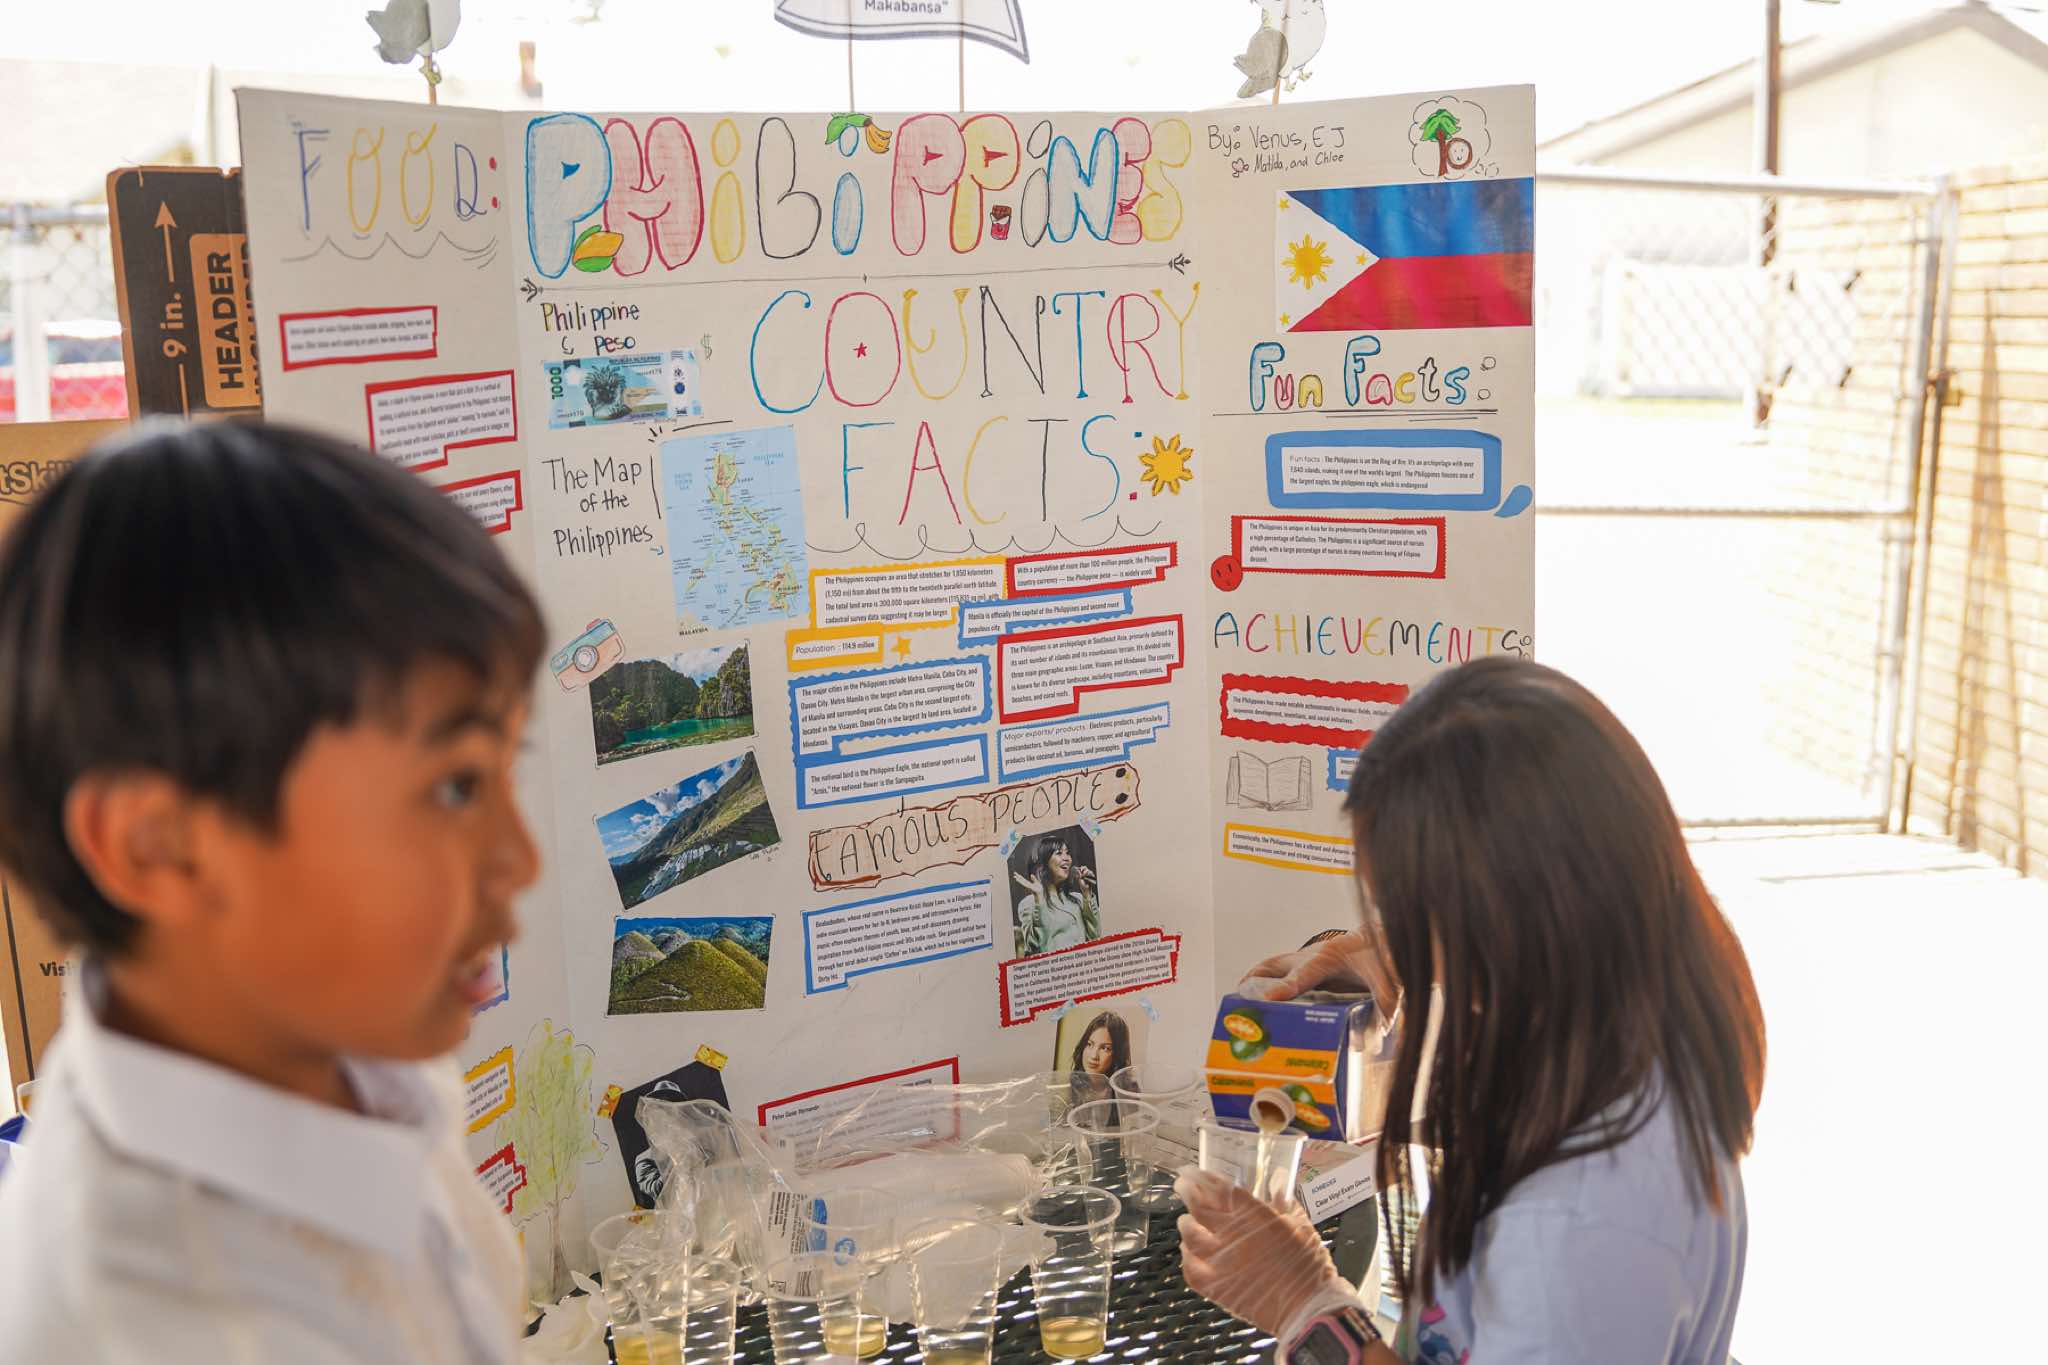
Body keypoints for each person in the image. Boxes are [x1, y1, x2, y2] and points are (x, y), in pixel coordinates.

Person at [0, 422, 545, 1364]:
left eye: (508, 767)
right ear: (159, 848)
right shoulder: (171, 1329)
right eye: (456, 785)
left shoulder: (331, 1042)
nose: (521, 859)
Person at [1179, 657, 1766, 1365]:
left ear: (1511, 920)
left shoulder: (1580, 1227)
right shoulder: (1642, 1008)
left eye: (1416, 912)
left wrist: (1307, 1306)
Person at [1011, 831, 1099, 956]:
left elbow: (1096, 937)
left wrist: (1086, 893)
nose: (1067, 858)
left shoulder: (1079, 898)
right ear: (1043, 862)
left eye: (1067, 852)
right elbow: (1033, 947)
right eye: (1059, 853)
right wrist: (1039, 899)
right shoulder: (1030, 903)